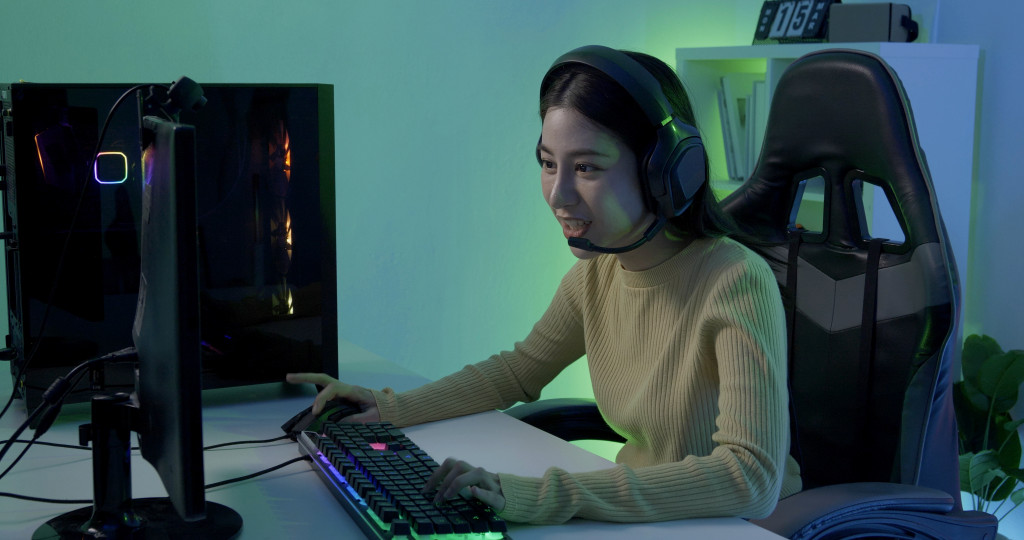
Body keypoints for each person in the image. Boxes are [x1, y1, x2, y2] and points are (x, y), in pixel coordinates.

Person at [287, 44, 802, 525]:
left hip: (739, 525)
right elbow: (516, 373)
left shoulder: (735, 281)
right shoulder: (595, 276)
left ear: (666, 171)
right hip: (647, 518)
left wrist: (545, 495)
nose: (559, 196)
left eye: (586, 168)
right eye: (549, 164)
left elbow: (749, 478)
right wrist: (390, 408)